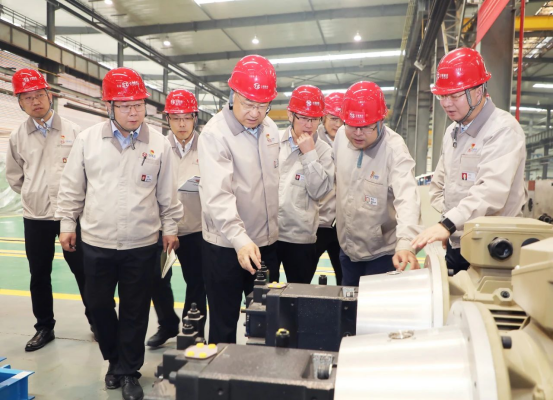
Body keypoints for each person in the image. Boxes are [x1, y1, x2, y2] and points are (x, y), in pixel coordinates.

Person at [56, 67, 183, 400]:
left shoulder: (159, 143)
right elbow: (72, 186)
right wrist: (67, 223)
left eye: (138, 104)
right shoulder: (88, 140)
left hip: (142, 242)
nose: (133, 112)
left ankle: (128, 371)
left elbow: (167, 193)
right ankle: (114, 359)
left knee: (134, 310)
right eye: (125, 105)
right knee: (98, 306)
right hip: (96, 241)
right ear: (108, 106)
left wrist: (170, 227)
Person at [411, 48, 527, 274]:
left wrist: (448, 224)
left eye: (454, 95)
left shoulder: (503, 129)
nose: (447, 103)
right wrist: (451, 228)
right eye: (442, 96)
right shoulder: (452, 132)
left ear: (479, 90)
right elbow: (439, 185)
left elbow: (491, 192)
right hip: (457, 244)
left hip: (493, 247)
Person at [6, 68, 92, 352]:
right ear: (20, 102)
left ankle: (99, 321)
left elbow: (87, 173)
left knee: (85, 271)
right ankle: (44, 327)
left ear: (49, 95)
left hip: (72, 216)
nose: (35, 101)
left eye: (39, 95)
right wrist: (35, 193)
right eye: (27, 98)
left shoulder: (74, 132)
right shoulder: (18, 137)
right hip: (36, 217)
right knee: (39, 274)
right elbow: (15, 177)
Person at [198, 55, 280, 344]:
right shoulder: (214, 134)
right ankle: (221, 372)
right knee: (224, 324)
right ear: (232, 94)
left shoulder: (271, 129)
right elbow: (218, 195)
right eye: (248, 104)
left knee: (267, 321)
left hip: (265, 244)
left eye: (263, 105)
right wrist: (239, 239)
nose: (255, 113)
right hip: (227, 246)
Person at [334, 81, 422, 286]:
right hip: (347, 250)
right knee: (348, 303)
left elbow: (407, 198)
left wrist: (405, 243)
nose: (357, 133)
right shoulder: (340, 137)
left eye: (366, 127)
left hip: (381, 254)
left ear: (381, 121)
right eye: (352, 126)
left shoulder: (394, 149)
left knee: (375, 305)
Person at [147, 89, 207, 347]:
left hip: (196, 229)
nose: (182, 124)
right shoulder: (157, 148)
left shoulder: (208, 147)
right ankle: (168, 324)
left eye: (186, 118)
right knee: (157, 279)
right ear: (167, 119)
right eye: (175, 118)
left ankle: (193, 330)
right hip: (164, 232)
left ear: (195, 118)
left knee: (197, 283)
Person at [277, 85, 334, 284]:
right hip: (269, 236)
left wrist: (310, 154)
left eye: (314, 119)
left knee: (298, 295)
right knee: (265, 294)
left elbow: (319, 191)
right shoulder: (273, 142)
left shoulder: (324, 151)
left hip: (300, 239)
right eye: (303, 118)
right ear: (290, 115)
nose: (309, 125)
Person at [313, 92, 345, 284]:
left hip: (342, 225)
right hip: (317, 223)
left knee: (345, 279)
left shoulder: (353, 140)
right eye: (333, 118)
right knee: (303, 276)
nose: (338, 124)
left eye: (342, 119)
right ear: (324, 117)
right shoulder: (312, 140)